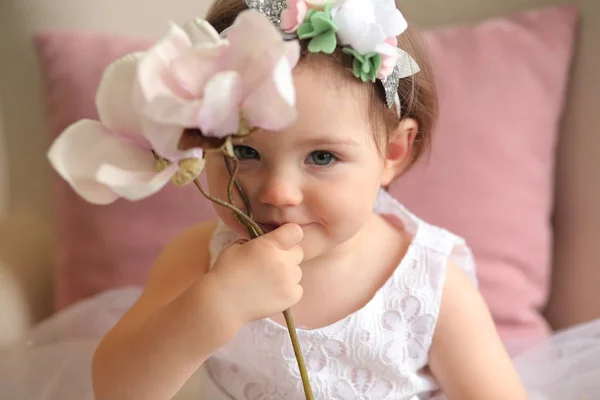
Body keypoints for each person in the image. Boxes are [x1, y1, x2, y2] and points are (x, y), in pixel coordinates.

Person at [1, 0, 599, 399]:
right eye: (245, 154)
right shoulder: (202, 259)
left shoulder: (426, 281)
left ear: (393, 152)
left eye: (321, 158)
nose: (278, 194)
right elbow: (118, 387)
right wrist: (215, 306)